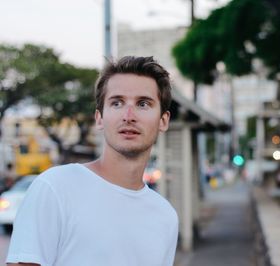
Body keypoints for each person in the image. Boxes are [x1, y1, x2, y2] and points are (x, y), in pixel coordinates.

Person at [6, 56, 179, 266]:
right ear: (99, 118)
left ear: (163, 120)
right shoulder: (55, 188)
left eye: (143, 104)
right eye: (117, 103)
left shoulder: (165, 216)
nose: (128, 115)